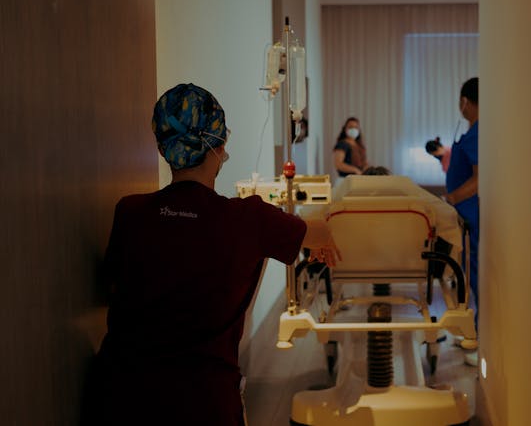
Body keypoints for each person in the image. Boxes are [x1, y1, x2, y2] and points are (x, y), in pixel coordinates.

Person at [84, 83, 340, 426]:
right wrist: (316, 237)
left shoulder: (129, 212)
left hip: (120, 399)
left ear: (164, 149)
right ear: (219, 146)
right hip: (203, 403)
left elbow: (113, 288)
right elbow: (321, 231)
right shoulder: (249, 219)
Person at [444, 77, 479, 366]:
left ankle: (477, 338)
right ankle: (471, 332)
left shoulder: (478, 134)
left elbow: (480, 179)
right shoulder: (470, 133)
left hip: (471, 214)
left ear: (465, 101)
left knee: (476, 276)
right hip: (465, 215)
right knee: (468, 274)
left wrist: (453, 198)